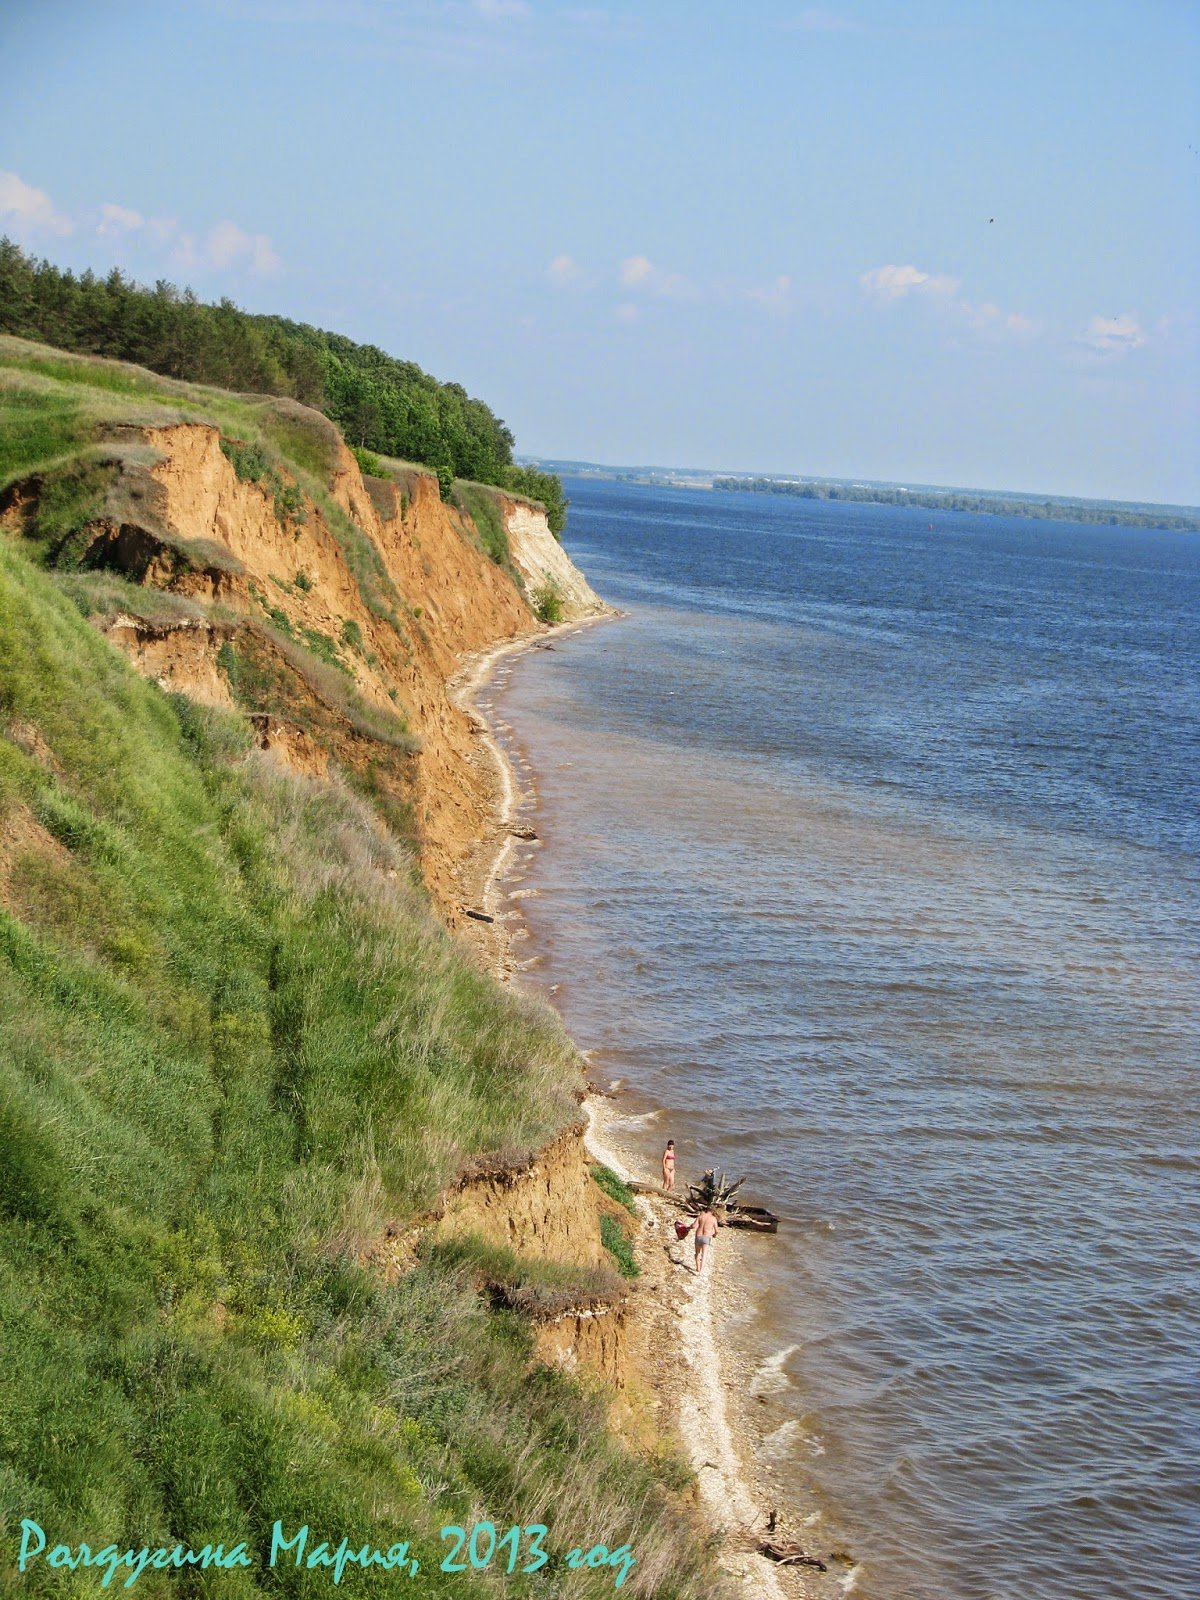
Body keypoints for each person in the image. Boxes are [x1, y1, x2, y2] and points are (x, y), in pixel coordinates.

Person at [694, 1204, 719, 1274]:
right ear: (713, 1211)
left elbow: (694, 1226)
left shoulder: (701, 1216)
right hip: (706, 1237)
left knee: (697, 1253)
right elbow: (717, 1231)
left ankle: (697, 1267)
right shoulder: (713, 1219)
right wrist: (714, 1235)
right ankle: (701, 1271)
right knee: (704, 1254)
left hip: (698, 1236)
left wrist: (688, 1228)